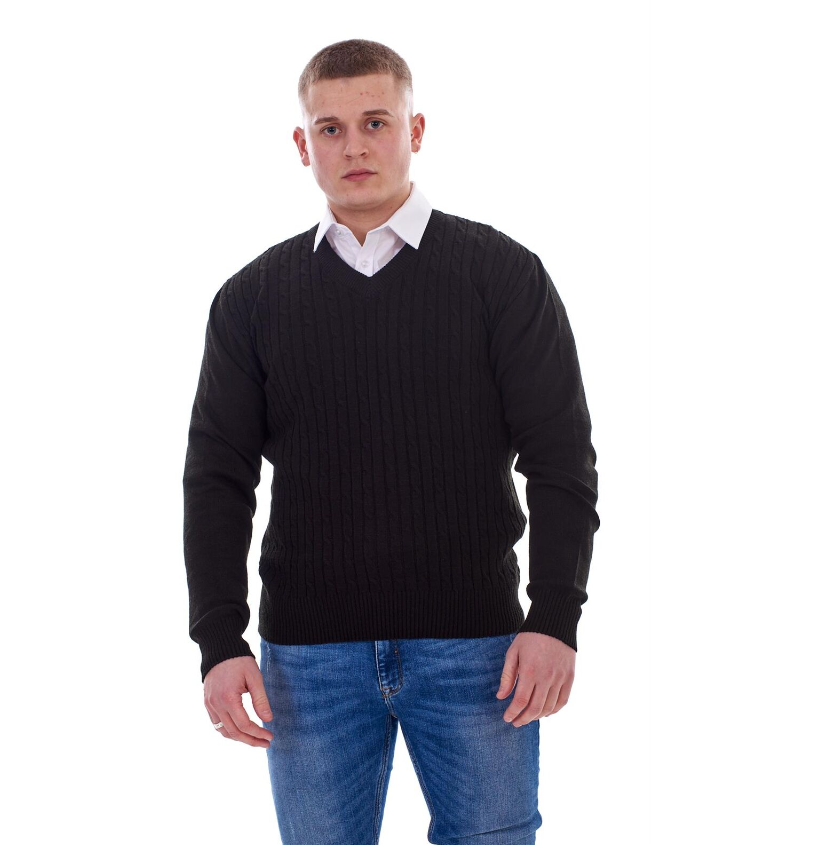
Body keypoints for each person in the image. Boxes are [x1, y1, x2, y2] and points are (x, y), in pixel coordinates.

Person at [182, 37, 599, 845]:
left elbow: (560, 458)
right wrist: (218, 639)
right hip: (308, 658)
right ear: (302, 144)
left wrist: (554, 616)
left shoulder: (500, 275)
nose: (354, 146)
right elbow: (217, 479)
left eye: (375, 121)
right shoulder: (251, 298)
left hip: (477, 651)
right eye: (330, 128)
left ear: (415, 130)